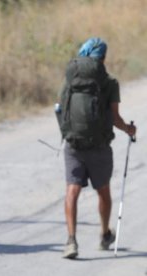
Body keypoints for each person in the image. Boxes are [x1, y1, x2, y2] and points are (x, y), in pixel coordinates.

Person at [58, 38, 137, 259]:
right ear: (102, 58)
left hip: (73, 144)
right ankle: (104, 234)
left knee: (72, 190)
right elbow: (114, 117)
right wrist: (128, 129)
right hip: (99, 147)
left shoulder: (70, 79)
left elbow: (60, 108)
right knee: (103, 190)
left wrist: (66, 133)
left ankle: (71, 241)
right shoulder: (109, 82)